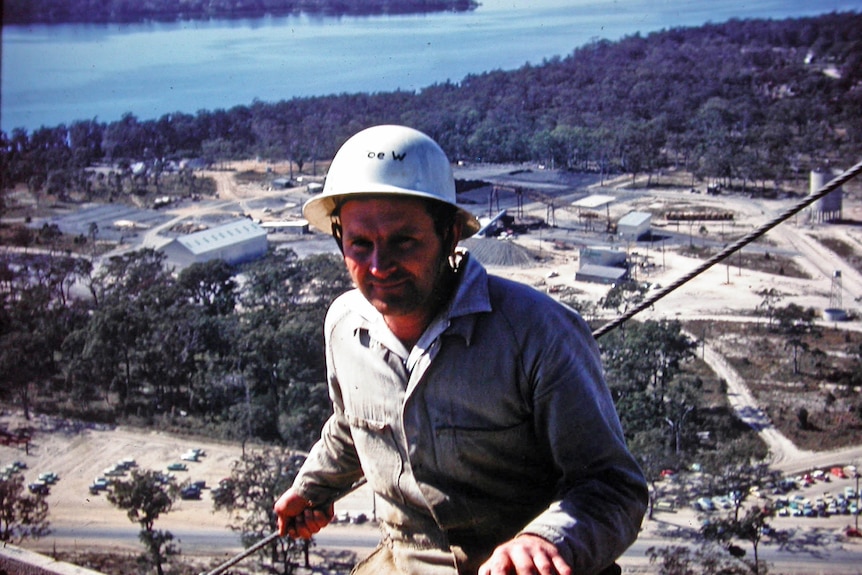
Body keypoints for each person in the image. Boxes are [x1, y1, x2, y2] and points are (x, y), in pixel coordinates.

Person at [274, 125, 647, 575]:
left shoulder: (536, 333)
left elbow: (614, 487)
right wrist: (314, 486)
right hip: (405, 560)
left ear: (450, 235)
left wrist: (545, 541)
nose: (378, 265)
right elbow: (353, 426)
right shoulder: (344, 327)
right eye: (359, 244)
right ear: (339, 239)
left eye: (403, 241)